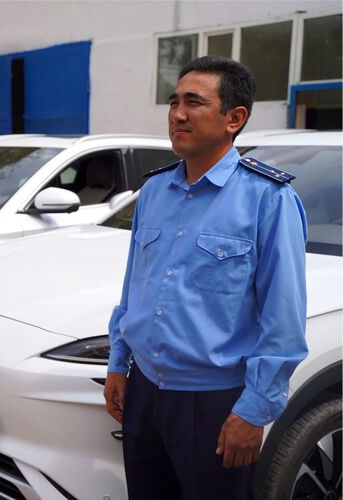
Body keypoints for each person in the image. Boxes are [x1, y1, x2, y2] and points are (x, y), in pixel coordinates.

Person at [104, 55, 308, 500]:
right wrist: (119, 361)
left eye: (193, 102)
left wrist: (254, 410)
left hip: (214, 402)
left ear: (234, 118)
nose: (177, 114)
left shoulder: (268, 198)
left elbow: (284, 318)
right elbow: (134, 287)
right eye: (173, 102)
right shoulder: (154, 191)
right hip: (144, 393)